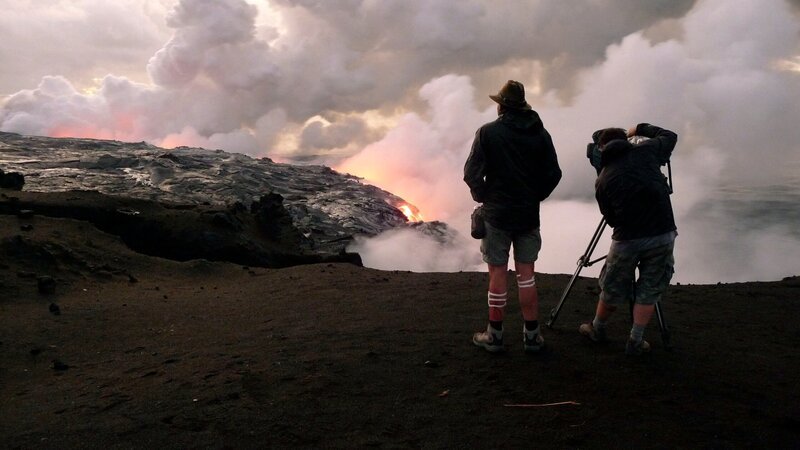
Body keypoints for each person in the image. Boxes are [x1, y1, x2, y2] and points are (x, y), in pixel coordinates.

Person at [463, 80, 562, 353]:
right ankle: (532, 336)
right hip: (527, 214)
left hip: (497, 214)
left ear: (501, 106)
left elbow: (471, 173)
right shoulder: (541, 135)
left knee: (497, 271)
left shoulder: (488, 133)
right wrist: (534, 196)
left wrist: (484, 197)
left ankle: (494, 336)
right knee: (526, 274)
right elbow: (554, 174)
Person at [579, 123, 678, 356]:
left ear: (601, 149)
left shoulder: (603, 179)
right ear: (626, 141)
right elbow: (670, 136)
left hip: (627, 239)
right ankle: (635, 340)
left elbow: (610, 217)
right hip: (662, 232)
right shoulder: (648, 150)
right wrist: (639, 128)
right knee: (650, 287)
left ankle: (597, 329)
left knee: (612, 286)